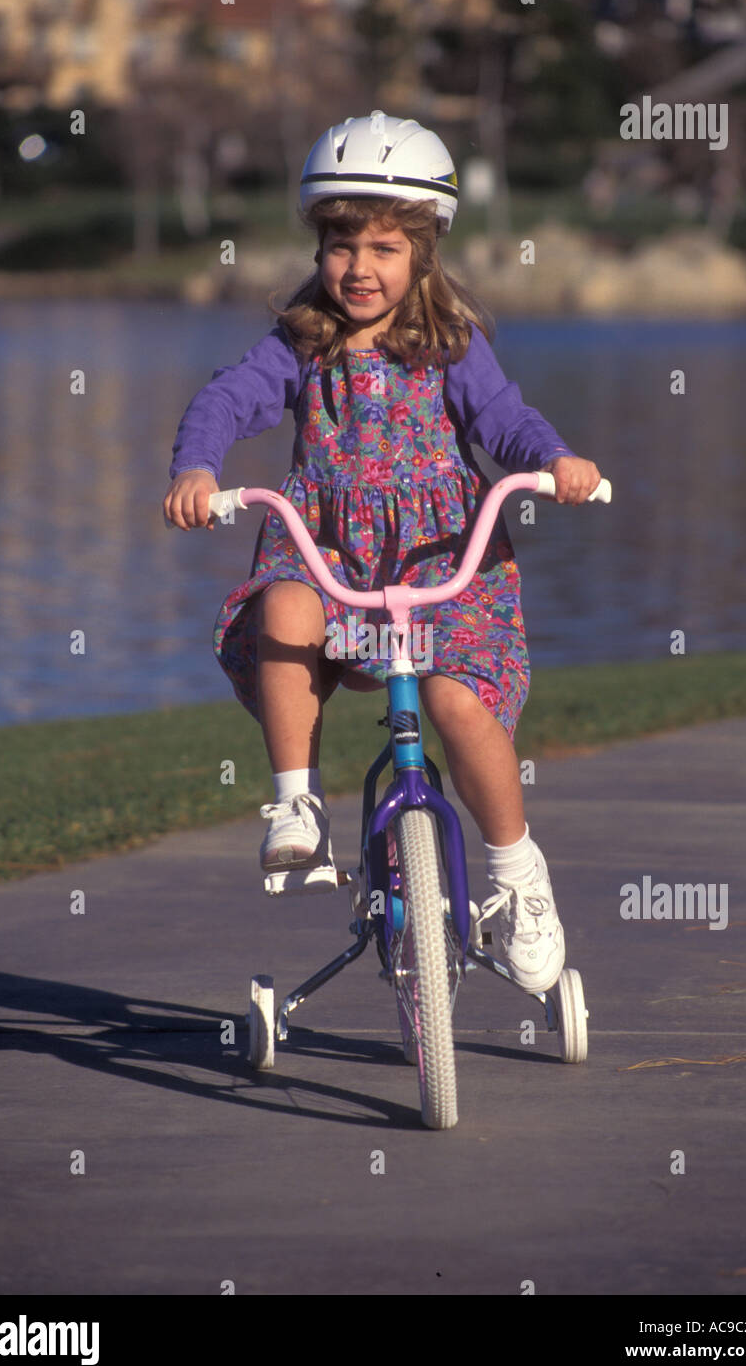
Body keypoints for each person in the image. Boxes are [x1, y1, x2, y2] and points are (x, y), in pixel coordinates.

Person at [164, 111, 602, 994]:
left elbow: (505, 422)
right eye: (339, 246)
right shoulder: (301, 344)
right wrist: (198, 468)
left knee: (457, 703)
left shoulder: (450, 346)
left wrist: (554, 462)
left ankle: (517, 876)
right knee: (281, 603)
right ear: (318, 247)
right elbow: (228, 398)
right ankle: (296, 802)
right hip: (330, 565)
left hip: (447, 568)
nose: (358, 268)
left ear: (425, 253)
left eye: (383, 249)